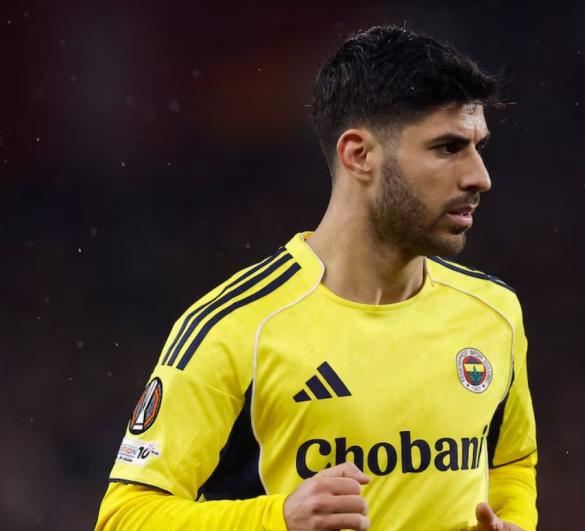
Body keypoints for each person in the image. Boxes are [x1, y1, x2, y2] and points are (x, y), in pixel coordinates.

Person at [95, 25, 537, 531]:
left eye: (478, 147)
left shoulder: (494, 312)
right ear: (359, 155)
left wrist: (514, 520)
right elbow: (124, 518)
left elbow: (511, 464)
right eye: (448, 147)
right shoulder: (238, 329)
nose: (480, 176)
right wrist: (278, 519)